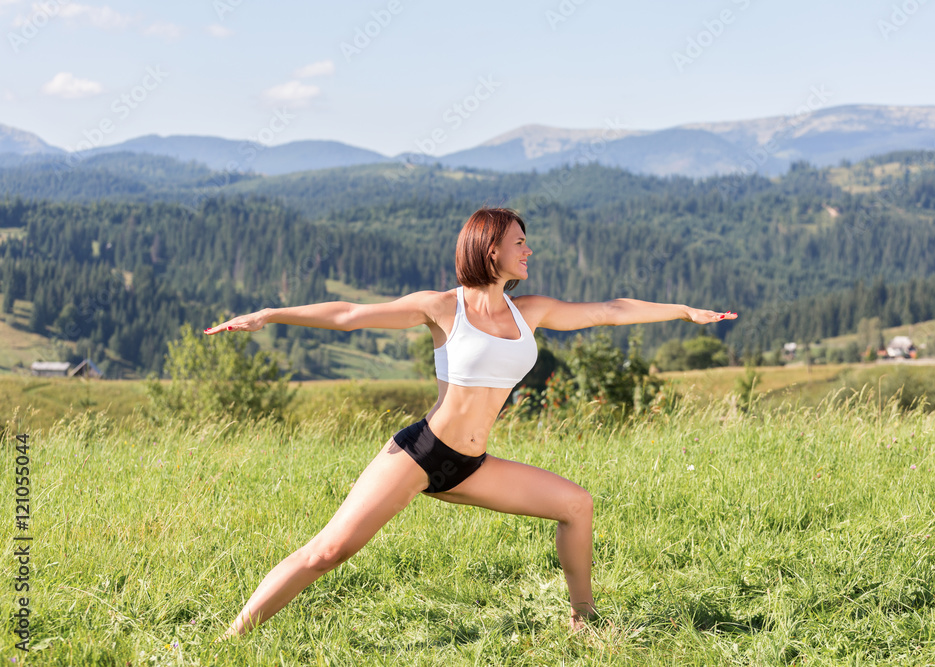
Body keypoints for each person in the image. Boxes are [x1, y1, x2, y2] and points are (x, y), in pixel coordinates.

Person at [206, 207, 737, 639]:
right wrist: (270, 315)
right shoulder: (442, 308)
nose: (529, 251)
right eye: (519, 243)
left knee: (577, 505)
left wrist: (683, 311)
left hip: (469, 465)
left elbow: (611, 310)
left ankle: (583, 619)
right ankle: (233, 639)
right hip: (418, 454)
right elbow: (349, 313)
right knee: (328, 551)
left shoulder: (530, 312)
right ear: (491, 251)